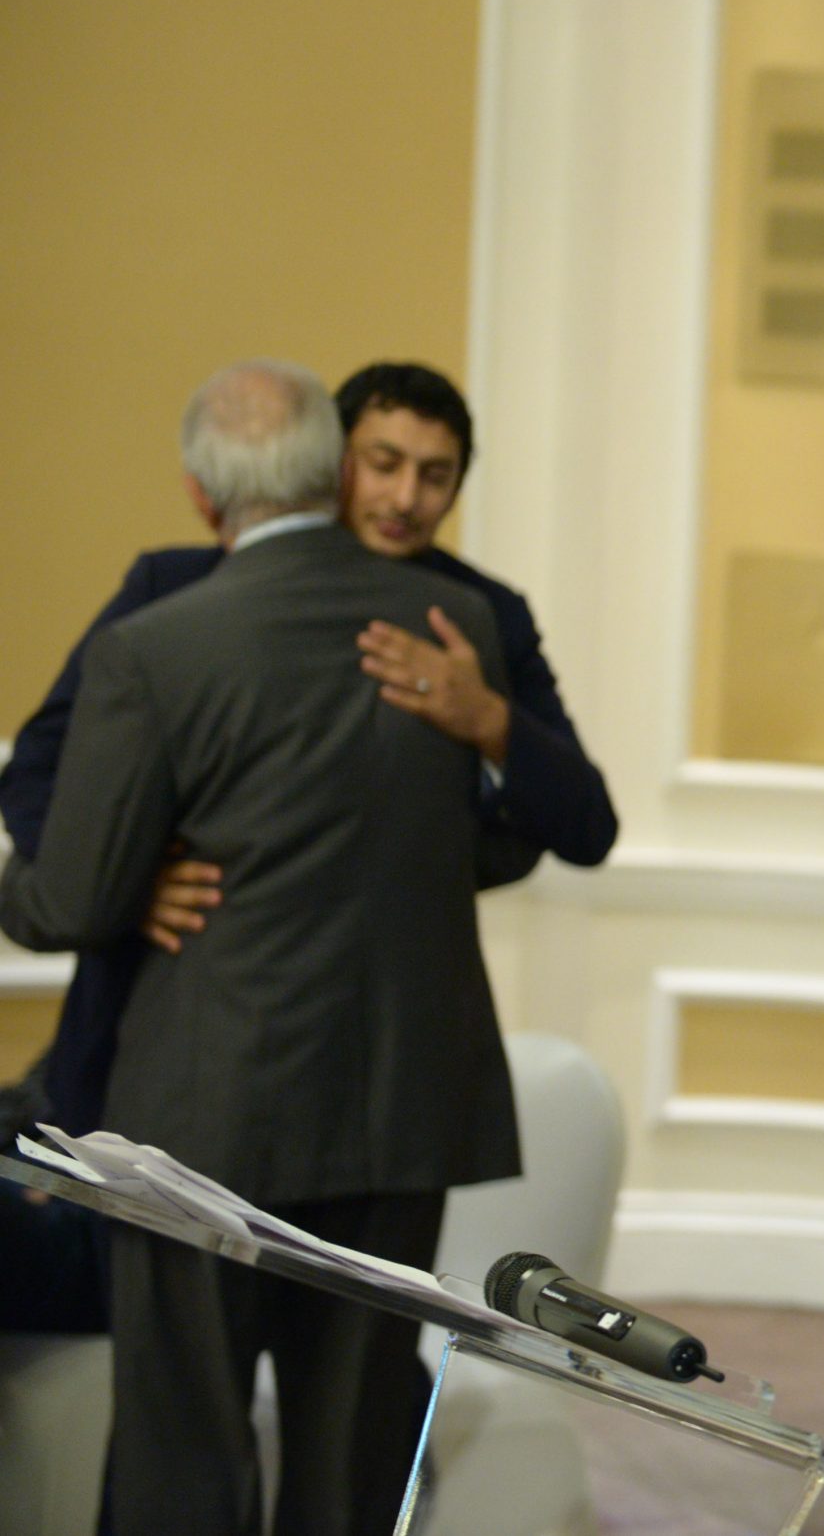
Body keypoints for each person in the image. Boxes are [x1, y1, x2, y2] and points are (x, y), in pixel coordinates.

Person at [0, 360, 523, 1535]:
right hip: (402, 1103)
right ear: (334, 471)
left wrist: (92, 883)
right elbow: (494, 847)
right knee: (354, 1451)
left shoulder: (157, 645)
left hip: (206, 1113)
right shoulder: (459, 625)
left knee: (184, 1450)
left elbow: (65, 900)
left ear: (201, 496)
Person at [0, 359, 615, 1141]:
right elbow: (39, 766)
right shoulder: (177, 585)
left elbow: (586, 825)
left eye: (436, 475)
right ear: (333, 463)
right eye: (383, 464)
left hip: (382, 1060)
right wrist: (127, 877)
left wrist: (490, 718)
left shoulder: (480, 617)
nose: (404, 498)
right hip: (166, 1029)